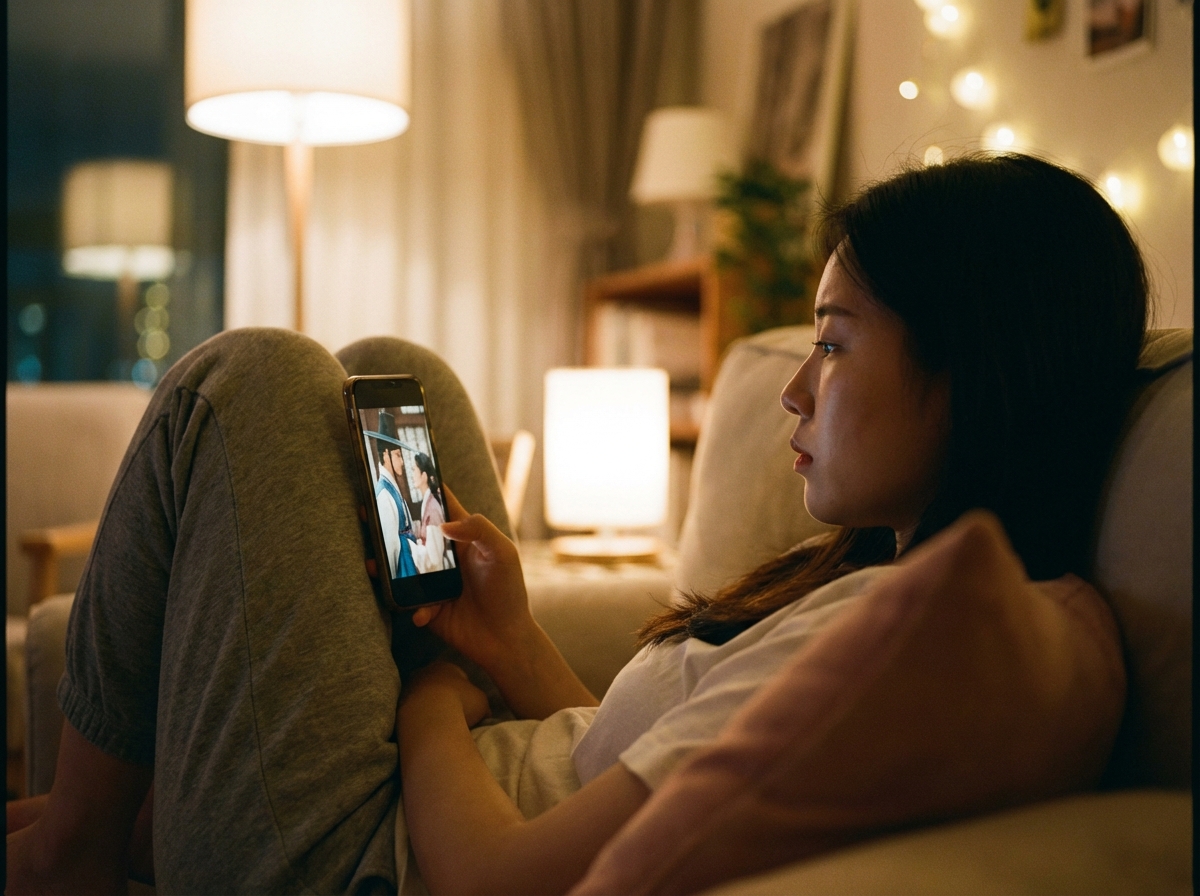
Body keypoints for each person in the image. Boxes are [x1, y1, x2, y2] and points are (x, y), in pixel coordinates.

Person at [6, 153, 1148, 895]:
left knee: (246, 379)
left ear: (976, 370)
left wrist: (432, 700)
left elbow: (494, 876)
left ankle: (76, 853)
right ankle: (139, 814)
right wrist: (502, 642)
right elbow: (629, 755)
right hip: (429, 785)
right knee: (396, 377)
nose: (796, 390)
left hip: (376, 859)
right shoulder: (864, 586)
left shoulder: (899, 635)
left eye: (836, 342)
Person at [374, 435, 419, 579]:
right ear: (386, 455)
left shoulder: (392, 486)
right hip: (402, 563)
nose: (402, 461)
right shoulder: (384, 492)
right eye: (398, 455)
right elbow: (390, 544)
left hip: (409, 556)